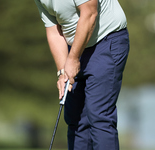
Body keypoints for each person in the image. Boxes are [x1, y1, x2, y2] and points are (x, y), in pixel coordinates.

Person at [34, 0, 130, 149]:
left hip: (106, 40)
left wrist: (72, 59)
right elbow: (54, 30)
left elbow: (90, 13)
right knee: (75, 118)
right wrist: (62, 72)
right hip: (75, 45)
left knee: (99, 117)